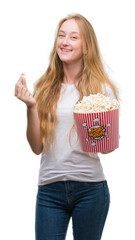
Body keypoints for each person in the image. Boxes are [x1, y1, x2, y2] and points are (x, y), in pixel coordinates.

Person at [15, 13, 119, 240]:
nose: (64, 41)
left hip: (90, 189)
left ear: (86, 46)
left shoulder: (100, 89)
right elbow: (36, 147)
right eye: (61, 36)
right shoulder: (44, 88)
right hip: (49, 191)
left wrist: (100, 130)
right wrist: (31, 107)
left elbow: (107, 147)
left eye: (73, 37)